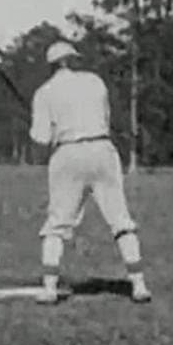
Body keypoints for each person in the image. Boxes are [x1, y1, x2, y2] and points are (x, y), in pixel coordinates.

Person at [29, 41, 152, 305]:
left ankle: (49, 288)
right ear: (72, 59)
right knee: (120, 218)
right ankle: (139, 284)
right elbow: (103, 119)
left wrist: (41, 130)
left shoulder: (44, 92)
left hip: (68, 154)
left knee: (58, 222)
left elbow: (41, 138)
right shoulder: (95, 82)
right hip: (103, 150)